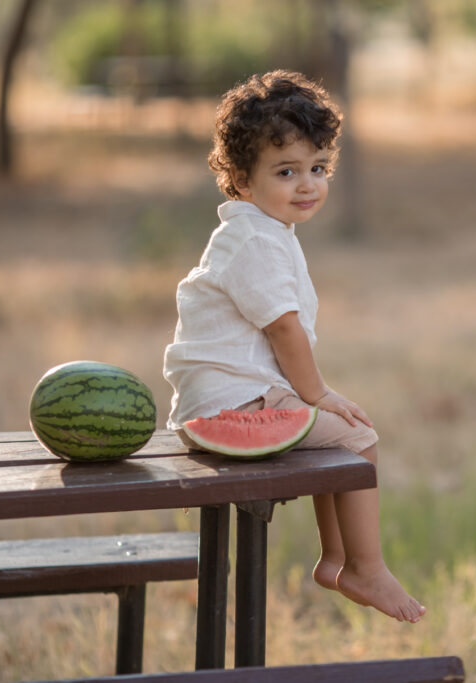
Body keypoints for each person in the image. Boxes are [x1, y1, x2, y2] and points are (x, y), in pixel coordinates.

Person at [163, 70, 425, 623]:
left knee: (339, 441)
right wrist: (317, 394)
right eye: (287, 171)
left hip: (233, 402)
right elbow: (283, 329)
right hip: (238, 407)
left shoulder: (261, 230)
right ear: (239, 178)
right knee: (359, 436)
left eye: (318, 168)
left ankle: (335, 558)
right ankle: (365, 566)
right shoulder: (254, 240)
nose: (308, 184)